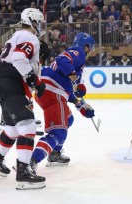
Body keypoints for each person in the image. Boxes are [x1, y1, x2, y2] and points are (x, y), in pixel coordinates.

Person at [0, 8, 46, 190]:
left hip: (1, 81)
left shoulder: (16, 36)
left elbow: (17, 57)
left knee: (12, 128)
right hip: (11, 82)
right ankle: (24, 172)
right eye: (39, 22)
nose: (40, 26)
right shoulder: (29, 37)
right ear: (33, 21)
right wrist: (34, 81)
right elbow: (19, 58)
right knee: (28, 125)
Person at [30, 32, 95, 171]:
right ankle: (30, 162)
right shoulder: (78, 52)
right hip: (53, 93)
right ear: (87, 47)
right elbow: (61, 60)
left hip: (49, 92)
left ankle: (55, 153)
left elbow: (67, 89)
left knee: (68, 119)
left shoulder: (75, 61)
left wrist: (80, 105)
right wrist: (76, 81)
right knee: (58, 133)